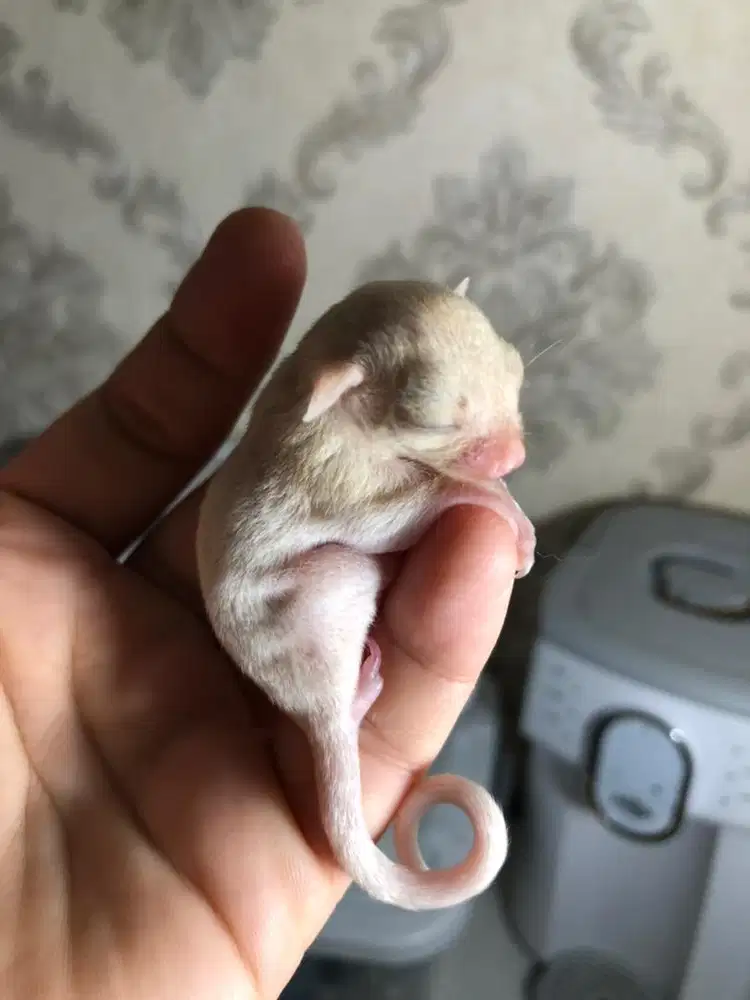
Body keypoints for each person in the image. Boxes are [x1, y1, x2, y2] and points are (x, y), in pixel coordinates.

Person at [0, 208, 518, 1000]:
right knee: (367, 572)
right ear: (344, 390)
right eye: (433, 418)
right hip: (283, 615)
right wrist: (462, 499)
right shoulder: (317, 436)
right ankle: (336, 703)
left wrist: (462, 485)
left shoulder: (340, 407)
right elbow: (372, 517)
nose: (508, 451)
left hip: (306, 593)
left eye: (509, 383)